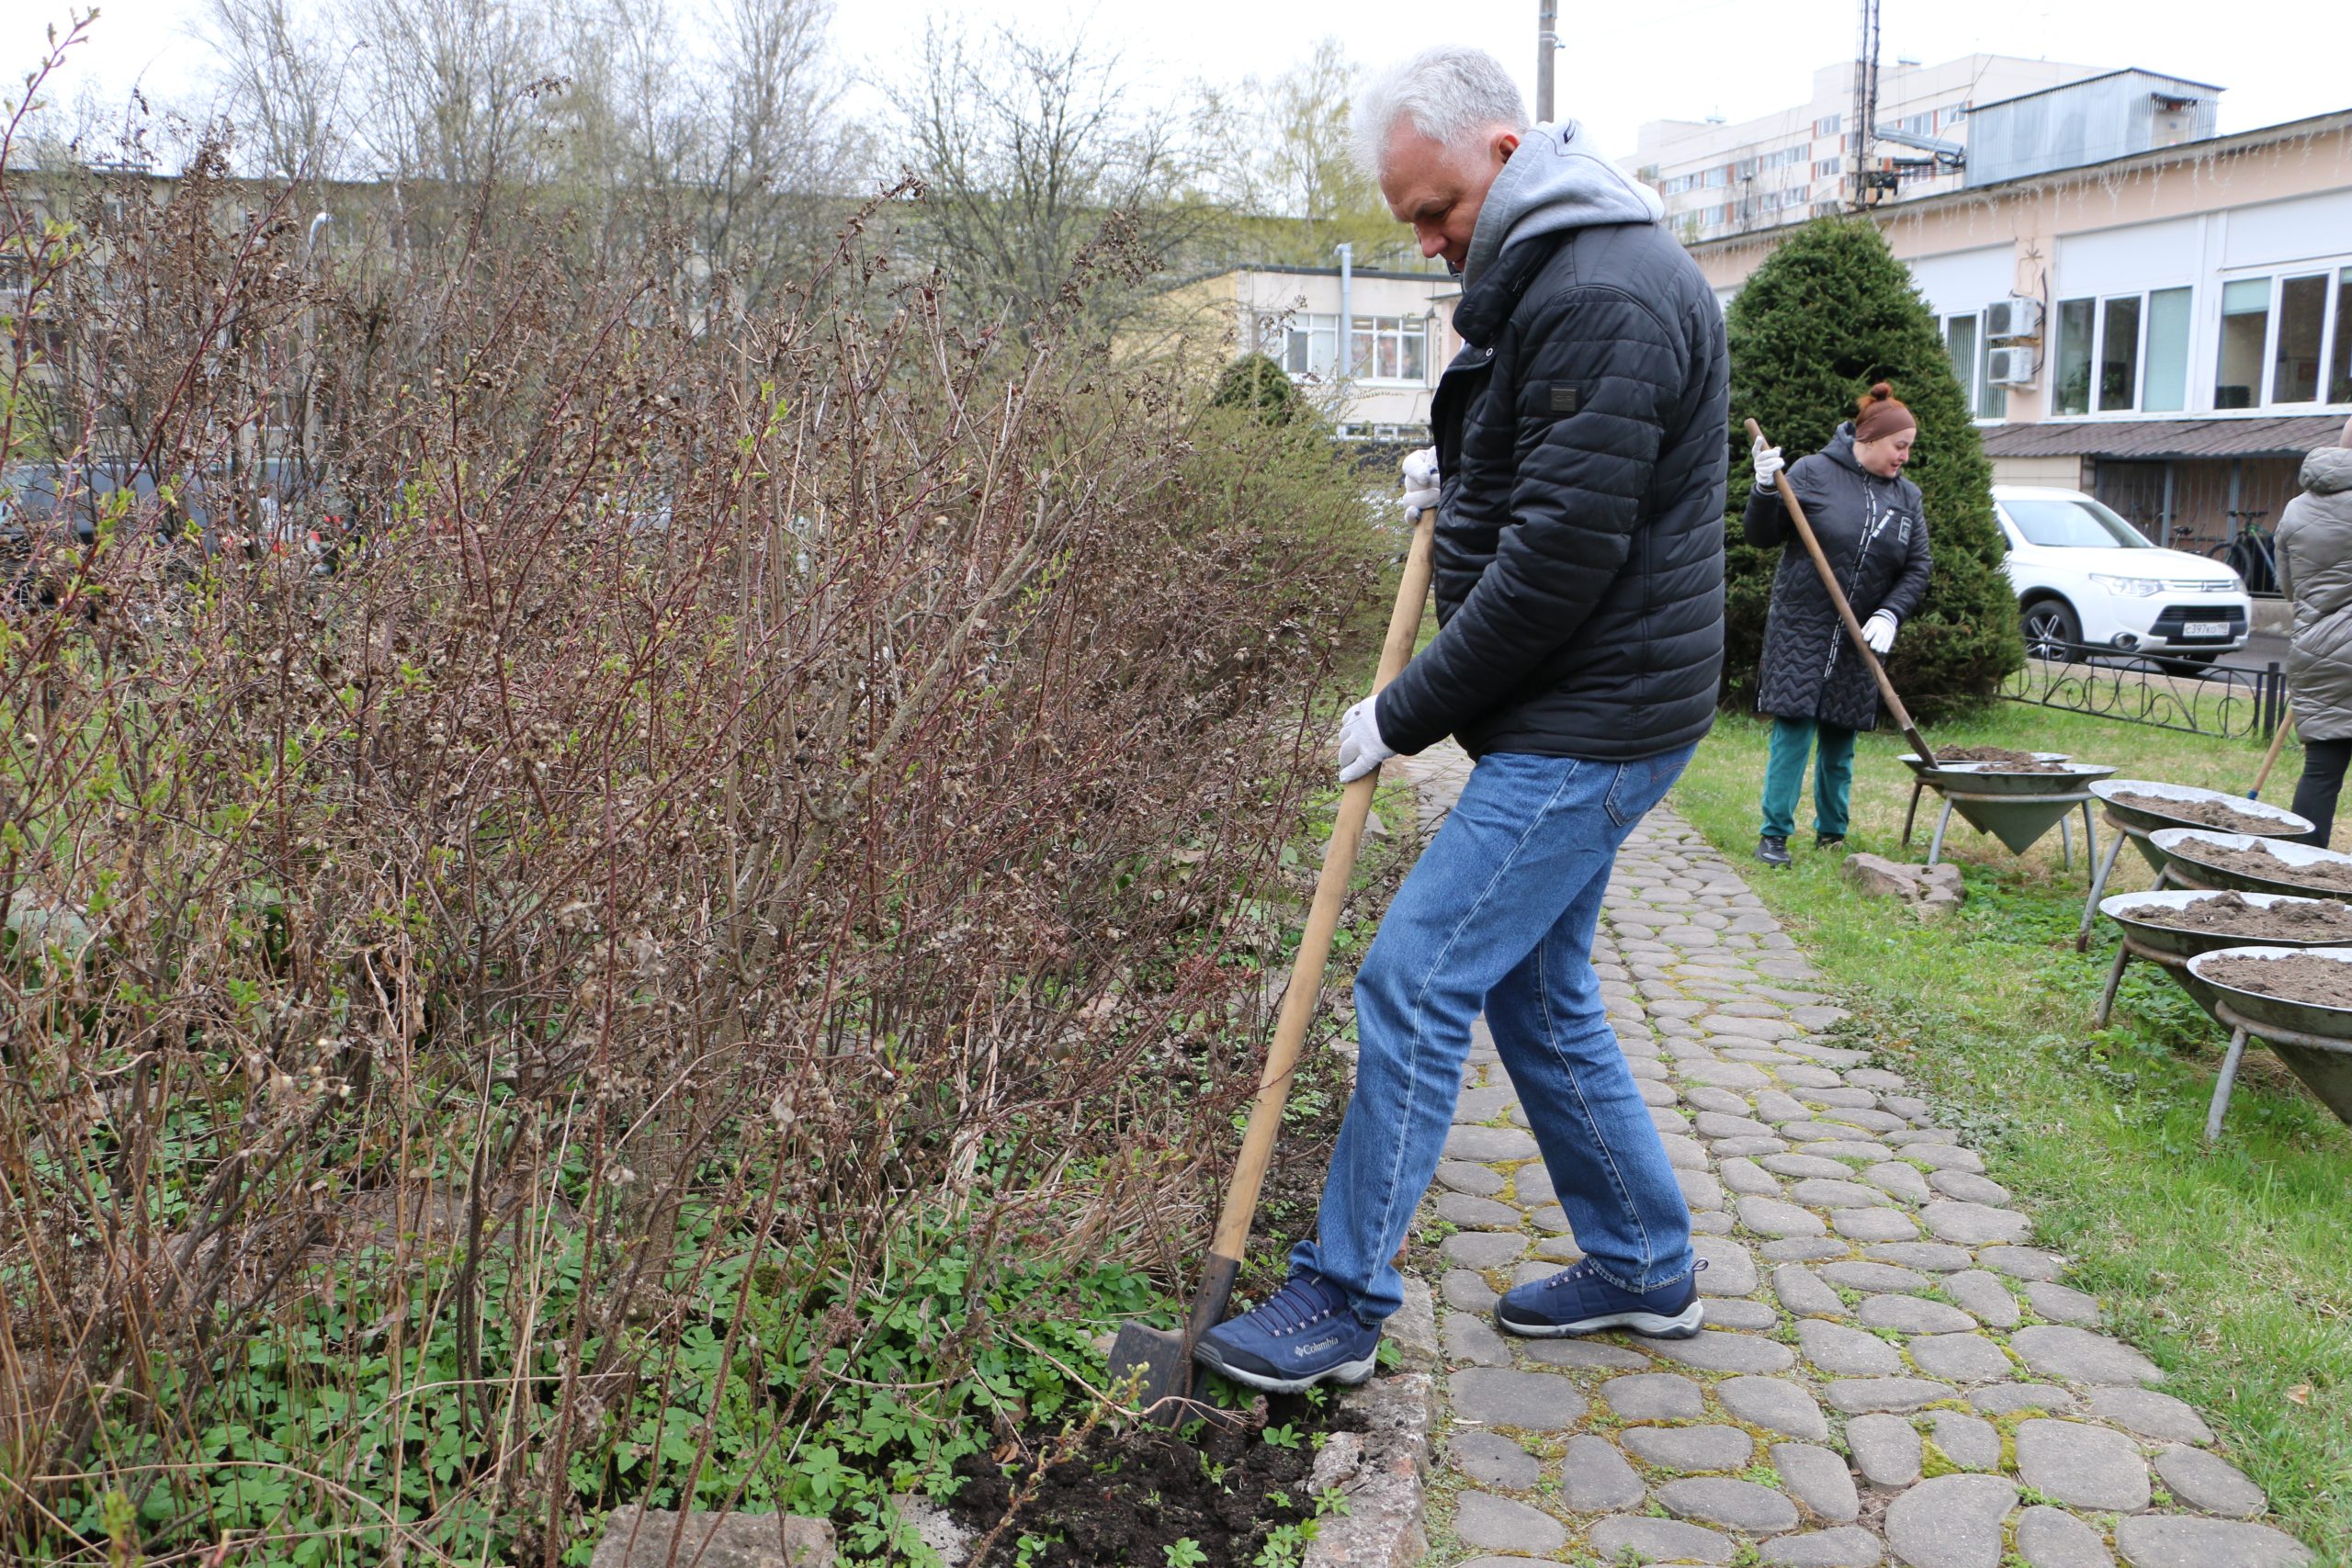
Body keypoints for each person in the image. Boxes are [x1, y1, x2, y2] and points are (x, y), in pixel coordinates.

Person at [1191, 45, 1729, 1394]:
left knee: (1417, 972)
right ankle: (1642, 1261)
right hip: (1587, 700)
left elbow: (1561, 563)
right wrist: (1464, 466)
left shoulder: (1601, 285)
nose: (1428, 244)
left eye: (1434, 212)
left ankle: (1343, 1294)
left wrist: (1404, 710)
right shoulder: (1552, 267)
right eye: (1409, 224)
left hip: (1591, 720)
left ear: (1500, 152)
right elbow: (1549, 471)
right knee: (1539, 991)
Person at [1742, 384, 1932, 867]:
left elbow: (1916, 567)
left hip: (1860, 635)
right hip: (1803, 626)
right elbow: (1761, 536)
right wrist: (1765, 489)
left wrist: (1890, 613)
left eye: (1909, 447)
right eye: (1900, 446)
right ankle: (1774, 836)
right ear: (1868, 440)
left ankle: (1832, 835)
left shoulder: (1906, 497)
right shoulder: (1810, 473)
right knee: (1794, 731)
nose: (1905, 457)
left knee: (1841, 738)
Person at [2276, 415, 2352, 847]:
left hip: (2317, 650)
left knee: (2322, 773)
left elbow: (2289, 587)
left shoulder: (2296, 507)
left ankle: (2302, 871)